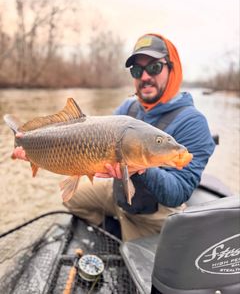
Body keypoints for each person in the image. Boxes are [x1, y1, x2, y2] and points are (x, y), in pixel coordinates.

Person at [13, 33, 216, 241]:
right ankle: (110, 228)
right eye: (137, 70)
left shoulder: (193, 122)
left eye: (154, 67)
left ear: (172, 69)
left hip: (152, 214)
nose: (145, 76)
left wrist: (143, 169)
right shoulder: (129, 107)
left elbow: (179, 192)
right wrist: (39, 150)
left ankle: (124, 234)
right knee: (71, 199)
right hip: (118, 192)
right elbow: (90, 137)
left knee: (132, 265)